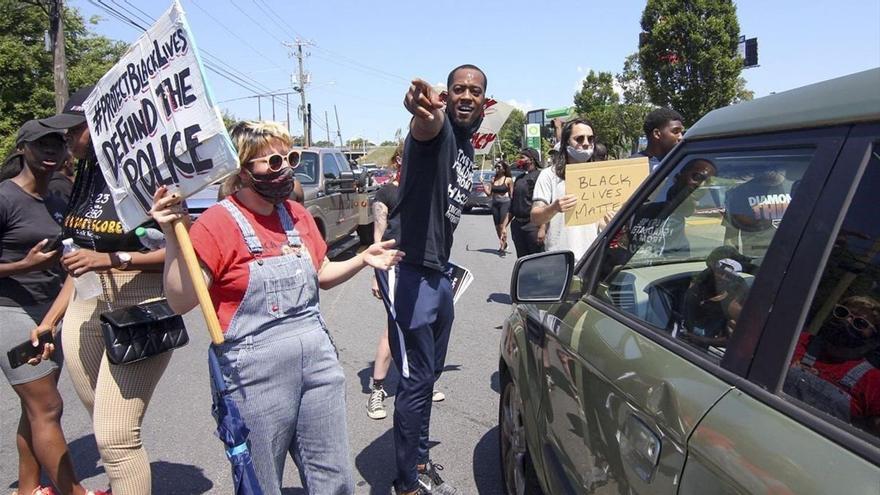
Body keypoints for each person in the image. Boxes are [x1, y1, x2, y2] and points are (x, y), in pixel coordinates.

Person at [151, 120, 403, 494]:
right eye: (272, 162)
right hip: (253, 374)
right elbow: (181, 299)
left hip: (318, 362)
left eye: (290, 157)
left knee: (334, 479)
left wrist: (364, 258)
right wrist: (174, 236)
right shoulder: (217, 223)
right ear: (243, 170)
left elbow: (321, 272)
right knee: (261, 481)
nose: (285, 168)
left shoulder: (297, 215)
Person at [34, 86, 169, 495]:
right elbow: (79, 255)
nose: (65, 141)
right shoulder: (84, 175)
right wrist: (50, 320)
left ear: (102, 128)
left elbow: (186, 252)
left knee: (115, 437)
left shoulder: (148, 174)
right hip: (83, 304)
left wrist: (113, 260)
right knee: (104, 425)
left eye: (72, 130)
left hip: (138, 303)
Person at [377, 64, 487, 495]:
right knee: (416, 381)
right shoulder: (438, 132)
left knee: (429, 375)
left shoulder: (466, 146)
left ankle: (419, 459)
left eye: (474, 91)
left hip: (438, 272)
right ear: (447, 95)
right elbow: (427, 123)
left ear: (483, 100)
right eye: (457, 89)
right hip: (409, 271)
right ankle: (407, 483)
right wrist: (422, 111)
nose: (465, 96)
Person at [1, 120, 105, 495]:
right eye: (40, 145)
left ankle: (28, 489)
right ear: (22, 149)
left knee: (36, 409)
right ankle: (74, 492)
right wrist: (22, 266)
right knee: (48, 406)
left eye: (57, 145)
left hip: (49, 313)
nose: (50, 151)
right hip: (9, 308)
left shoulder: (60, 200)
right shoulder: (5, 198)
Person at [367, 146, 445, 421]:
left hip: (422, 265)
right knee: (396, 323)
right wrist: (374, 272)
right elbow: (378, 234)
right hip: (393, 264)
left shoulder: (424, 187)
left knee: (423, 323)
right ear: (399, 159)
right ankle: (377, 388)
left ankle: (422, 381)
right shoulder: (386, 191)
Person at [786, 295, 880, 436]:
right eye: (842, 313)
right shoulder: (796, 340)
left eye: (860, 323)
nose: (847, 321)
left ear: (874, 339)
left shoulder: (874, 381)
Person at [530, 118, 602, 260]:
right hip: (560, 261)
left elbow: (602, 221)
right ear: (566, 142)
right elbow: (535, 217)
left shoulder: (601, 176)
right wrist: (554, 208)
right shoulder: (549, 175)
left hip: (593, 260)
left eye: (590, 138)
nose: (586, 143)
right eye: (579, 139)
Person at [625, 158, 718, 258]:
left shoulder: (682, 241)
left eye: (707, 183)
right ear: (677, 177)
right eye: (697, 177)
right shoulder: (641, 211)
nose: (701, 185)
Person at [681, 246, 752, 347]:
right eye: (720, 272)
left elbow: (738, 338)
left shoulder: (738, 295)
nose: (722, 278)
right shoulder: (704, 278)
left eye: (728, 276)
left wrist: (704, 341)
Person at [723, 165, 791, 257]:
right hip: (756, 258)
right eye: (770, 166)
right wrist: (731, 261)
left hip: (792, 256)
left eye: (778, 166)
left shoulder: (799, 188)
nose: (774, 170)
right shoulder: (740, 193)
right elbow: (731, 237)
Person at [506, 148, 545, 257]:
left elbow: (544, 204)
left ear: (531, 160)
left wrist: (542, 228)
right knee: (522, 261)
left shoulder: (540, 177)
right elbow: (513, 205)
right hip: (518, 227)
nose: (520, 160)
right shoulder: (519, 178)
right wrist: (504, 227)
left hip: (532, 226)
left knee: (535, 261)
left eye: (522, 157)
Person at [631, 107, 685, 172]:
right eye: (675, 132)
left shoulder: (682, 162)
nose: (681, 137)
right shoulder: (632, 165)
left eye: (681, 132)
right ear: (657, 134)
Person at [485, 160, 512, 254]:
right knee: (497, 227)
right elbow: (489, 194)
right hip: (495, 204)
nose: (497, 169)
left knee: (502, 226)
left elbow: (512, 194)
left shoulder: (508, 180)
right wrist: (483, 184)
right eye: (496, 167)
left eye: (499, 167)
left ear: (504, 169)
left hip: (505, 203)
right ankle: (504, 243)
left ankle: (502, 246)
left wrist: (513, 207)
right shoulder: (493, 180)